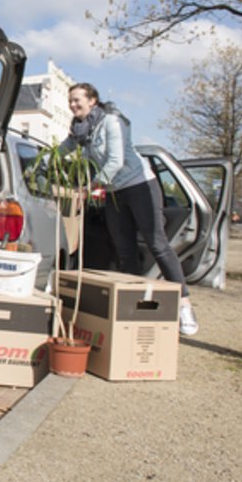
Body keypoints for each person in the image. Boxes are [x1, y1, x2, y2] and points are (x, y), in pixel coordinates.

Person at [60, 82, 198, 336]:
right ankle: (133, 306)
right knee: (124, 250)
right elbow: (63, 150)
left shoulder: (112, 122)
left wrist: (88, 188)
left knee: (157, 243)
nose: (72, 105)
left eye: (77, 100)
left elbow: (115, 161)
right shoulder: (80, 129)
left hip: (139, 186)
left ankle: (184, 305)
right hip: (114, 193)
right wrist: (41, 161)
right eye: (70, 101)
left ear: (92, 100)